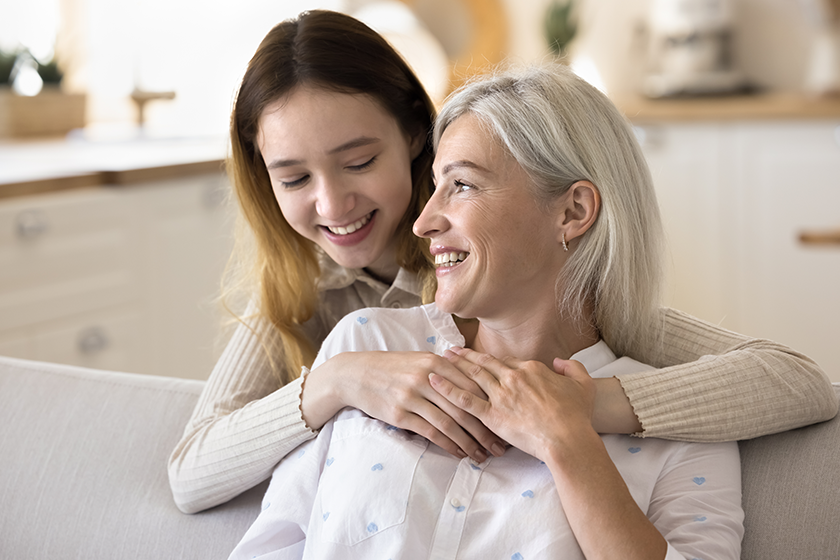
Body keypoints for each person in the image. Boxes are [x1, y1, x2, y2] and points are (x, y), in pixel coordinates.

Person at [167, 9, 838, 515]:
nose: (332, 202)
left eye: (359, 162)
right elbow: (191, 472)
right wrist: (339, 380)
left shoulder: (503, 279)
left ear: (413, 138)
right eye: (293, 178)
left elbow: (798, 382)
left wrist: (571, 407)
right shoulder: (306, 296)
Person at [228, 63, 744, 560]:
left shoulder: (684, 433)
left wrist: (567, 444)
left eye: (463, 185)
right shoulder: (366, 345)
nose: (424, 221)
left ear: (573, 212)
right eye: (435, 187)